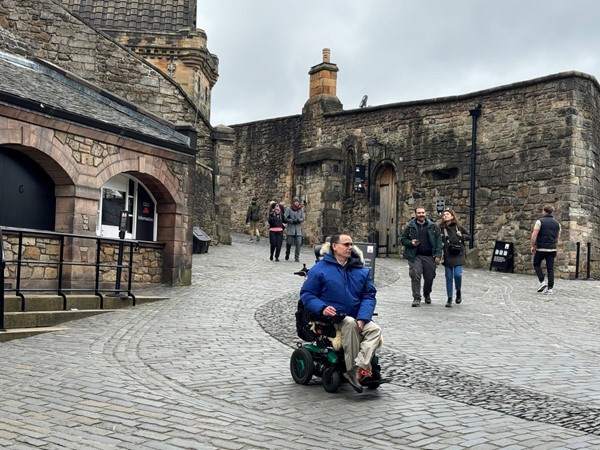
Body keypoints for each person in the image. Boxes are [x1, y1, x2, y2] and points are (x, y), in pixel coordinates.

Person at [300, 233, 382, 393]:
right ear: (334, 246)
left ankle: (357, 369)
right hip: (332, 318)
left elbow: (369, 295)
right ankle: (354, 370)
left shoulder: (361, 271)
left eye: (351, 244)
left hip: (358, 316)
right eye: (346, 244)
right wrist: (322, 307)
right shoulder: (319, 270)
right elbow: (307, 295)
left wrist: (363, 318)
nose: (350, 247)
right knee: (350, 323)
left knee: (375, 330)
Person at [400, 206, 443, 307]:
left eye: (423, 212)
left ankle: (427, 294)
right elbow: (403, 239)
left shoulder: (433, 226)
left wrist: (438, 255)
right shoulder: (410, 226)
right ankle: (416, 297)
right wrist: (411, 243)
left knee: (429, 277)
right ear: (415, 214)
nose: (421, 214)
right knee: (415, 275)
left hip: (429, 256)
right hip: (415, 256)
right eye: (419, 213)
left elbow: (439, 241)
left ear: (425, 213)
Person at [439, 209, 470, 308]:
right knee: (448, 277)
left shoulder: (458, 227)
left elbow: (469, 236)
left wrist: (462, 236)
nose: (445, 216)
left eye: (448, 214)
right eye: (444, 215)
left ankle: (458, 290)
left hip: (458, 254)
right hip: (448, 254)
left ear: (452, 216)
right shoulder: (441, 228)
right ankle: (449, 298)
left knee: (457, 275)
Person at [530, 205, 561, 295]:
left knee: (536, 264)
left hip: (541, 248)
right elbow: (558, 237)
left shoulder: (540, 221)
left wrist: (532, 246)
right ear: (551, 212)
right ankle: (550, 289)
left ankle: (542, 281)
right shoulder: (557, 224)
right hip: (552, 249)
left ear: (544, 211)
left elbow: (534, 235)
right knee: (550, 268)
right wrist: (554, 246)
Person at [284, 197, 304, 262]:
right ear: (293, 202)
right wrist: (291, 220)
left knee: (298, 243)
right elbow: (285, 218)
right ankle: (287, 253)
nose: (297, 203)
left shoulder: (301, 209)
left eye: (298, 201)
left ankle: (297, 257)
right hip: (291, 228)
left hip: (298, 229)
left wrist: (298, 220)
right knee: (289, 243)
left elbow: (303, 218)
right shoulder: (289, 209)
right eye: (295, 201)